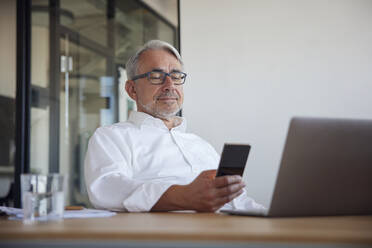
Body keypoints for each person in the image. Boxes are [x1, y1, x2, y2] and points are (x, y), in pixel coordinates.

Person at [84, 40, 265, 212]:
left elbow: (238, 202)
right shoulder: (111, 137)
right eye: (156, 76)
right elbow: (106, 188)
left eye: (176, 76)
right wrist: (182, 195)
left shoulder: (201, 145)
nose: (170, 85)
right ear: (132, 89)